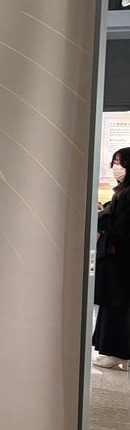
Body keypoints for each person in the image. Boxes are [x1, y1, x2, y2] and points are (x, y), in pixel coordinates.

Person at [93, 147, 130, 370]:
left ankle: (117, 352)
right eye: (115, 162)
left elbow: (121, 226)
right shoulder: (123, 190)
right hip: (119, 257)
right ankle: (120, 354)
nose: (117, 167)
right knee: (117, 305)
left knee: (116, 304)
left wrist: (102, 215)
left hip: (121, 259)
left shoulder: (128, 193)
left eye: (121, 162)